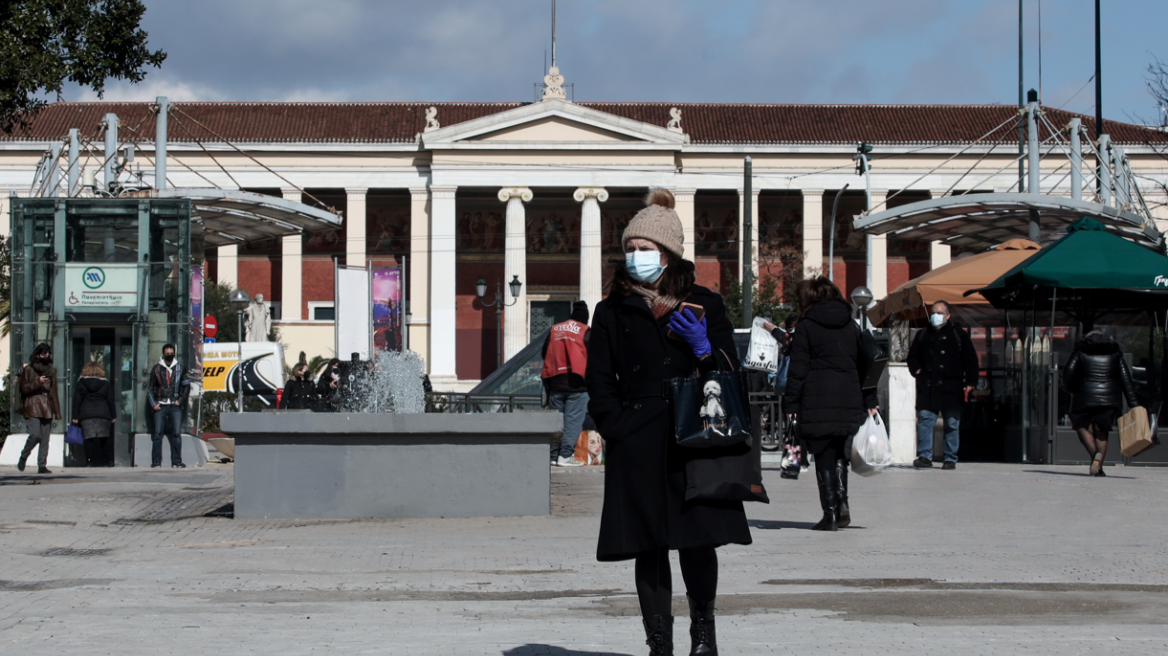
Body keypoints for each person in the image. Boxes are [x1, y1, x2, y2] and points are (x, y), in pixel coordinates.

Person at [587, 188, 749, 655]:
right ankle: (658, 640)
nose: (636, 257)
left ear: (669, 253)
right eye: (631, 249)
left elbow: (729, 370)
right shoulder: (612, 309)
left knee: (698, 540)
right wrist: (614, 424)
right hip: (637, 436)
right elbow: (599, 377)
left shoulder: (704, 303)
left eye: (646, 249)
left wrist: (703, 350)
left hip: (693, 434)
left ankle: (704, 631)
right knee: (648, 544)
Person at [783, 276, 878, 532]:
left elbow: (798, 369)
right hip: (848, 394)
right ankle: (842, 503)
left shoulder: (806, 326)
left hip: (817, 395)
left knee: (823, 453)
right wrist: (870, 399)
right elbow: (864, 364)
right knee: (838, 452)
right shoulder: (850, 324)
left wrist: (790, 402)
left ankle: (830, 513)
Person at [907, 300, 980, 470]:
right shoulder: (923, 334)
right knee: (925, 420)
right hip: (928, 386)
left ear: (948, 315)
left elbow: (971, 360)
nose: (935, 316)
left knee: (952, 423)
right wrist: (917, 369)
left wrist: (970, 381)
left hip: (951, 387)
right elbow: (912, 356)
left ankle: (950, 457)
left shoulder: (958, 334)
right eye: (933, 312)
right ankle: (924, 455)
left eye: (939, 313)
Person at [1061, 329, 1140, 477]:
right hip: (1109, 399)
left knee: (1080, 425)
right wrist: (1133, 403)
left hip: (1084, 397)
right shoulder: (1115, 353)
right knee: (1101, 430)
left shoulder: (1080, 351)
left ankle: (1095, 454)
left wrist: (1069, 388)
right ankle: (1099, 468)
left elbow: (1068, 371)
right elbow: (1126, 379)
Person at [541, 300, 591, 467]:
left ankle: (552, 455)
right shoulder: (585, 331)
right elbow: (595, 356)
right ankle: (565, 455)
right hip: (578, 384)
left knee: (557, 420)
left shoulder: (555, 329)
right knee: (573, 421)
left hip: (555, 383)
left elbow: (544, 352)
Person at [17, 343, 61, 474]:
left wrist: (57, 412)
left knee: (45, 438)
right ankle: (24, 456)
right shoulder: (29, 370)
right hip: (32, 405)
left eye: (47, 354)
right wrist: (38, 382)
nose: (46, 357)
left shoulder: (51, 371)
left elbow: (54, 393)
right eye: (43, 354)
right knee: (35, 435)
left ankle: (42, 465)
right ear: (37, 355)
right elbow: (24, 388)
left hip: (46, 405)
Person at [148, 343, 191, 468]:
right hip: (160, 405)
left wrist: (180, 400)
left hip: (175, 405)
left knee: (176, 434)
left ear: (174, 353)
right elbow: (150, 387)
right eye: (167, 353)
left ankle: (176, 461)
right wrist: (154, 404)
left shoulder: (180, 368)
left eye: (171, 353)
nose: (169, 355)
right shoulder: (156, 369)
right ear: (163, 354)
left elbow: (186, 386)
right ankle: (156, 461)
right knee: (157, 434)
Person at [71, 361, 118, 467]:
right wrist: (113, 415)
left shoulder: (81, 383)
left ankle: (89, 460)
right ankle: (108, 460)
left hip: (86, 413)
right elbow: (110, 400)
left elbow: (77, 401)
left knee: (88, 438)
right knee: (104, 437)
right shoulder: (105, 383)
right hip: (103, 413)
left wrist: (75, 416)